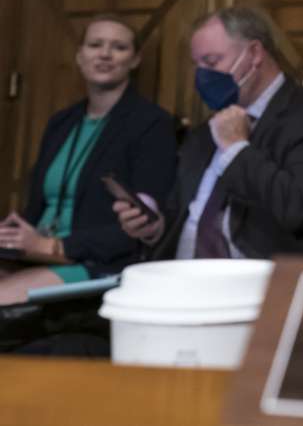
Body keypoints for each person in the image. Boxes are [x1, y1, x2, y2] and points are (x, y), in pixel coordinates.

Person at [114, 7, 303, 259]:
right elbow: (182, 212)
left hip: (263, 283)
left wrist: (237, 150)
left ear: (254, 53)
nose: (202, 75)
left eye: (211, 61)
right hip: (182, 279)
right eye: (197, 65)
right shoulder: (205, 132)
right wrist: (154, 225)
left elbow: (296, 208)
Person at [0, 16, 177, 305]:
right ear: (80, 56)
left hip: (96, 262)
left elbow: (143, 225)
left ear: (135, 60)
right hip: (35, 255)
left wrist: (54, 245)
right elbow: (36, 208)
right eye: (95, 45)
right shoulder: (61, 122)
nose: (105, 54)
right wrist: (12, 236)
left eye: (118, 47)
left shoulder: (152, 123)